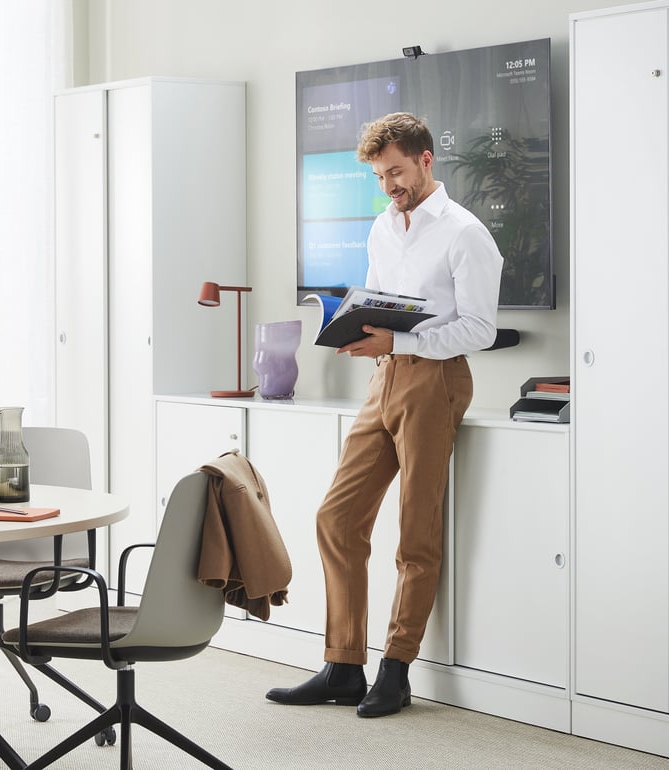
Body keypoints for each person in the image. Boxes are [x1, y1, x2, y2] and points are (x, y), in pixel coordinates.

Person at [266, 112, 503, 717]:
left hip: (437, 381)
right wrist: (361, 329)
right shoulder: (380, 226)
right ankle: (344, 664)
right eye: (378, 175)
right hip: (385, 378)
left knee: (415, 533)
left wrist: (398, 344)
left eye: (395, 171)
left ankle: (395, 670)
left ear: (426, 160)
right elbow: (380, 299)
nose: (387, 185)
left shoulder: (465, 233)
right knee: (337, 517)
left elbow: (478, 327)